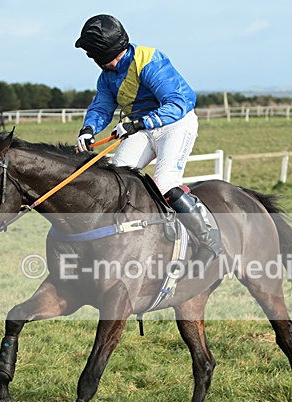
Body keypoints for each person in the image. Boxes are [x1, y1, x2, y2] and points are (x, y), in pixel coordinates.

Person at [74, 14, 223, 267]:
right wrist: (88, 129)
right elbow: (101, 106)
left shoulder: (149, 60)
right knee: (116, 180)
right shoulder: (107, 77)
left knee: (165, 181)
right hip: (142, 129)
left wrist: (138, 123)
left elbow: (178, 103)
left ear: (100, 53)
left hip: (176, 124)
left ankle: (209, 240)